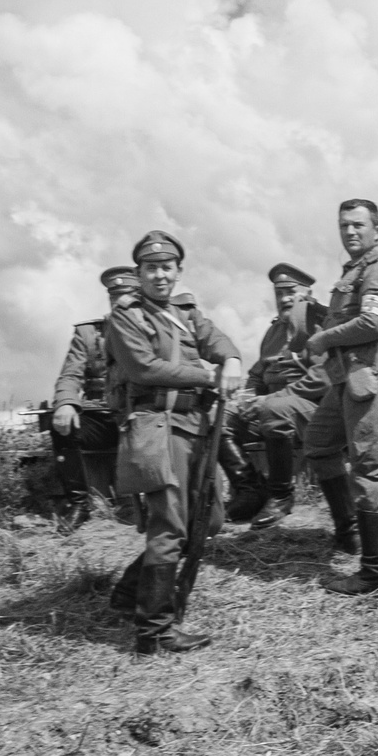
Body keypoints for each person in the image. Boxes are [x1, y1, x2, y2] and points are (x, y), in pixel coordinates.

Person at [106, 231, 240, 654]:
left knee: (208, 520)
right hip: (157, 426)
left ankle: (131, 593)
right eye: (151, 268)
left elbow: (216, 339)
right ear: (139, 273)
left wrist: (231, 359)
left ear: (178, 271)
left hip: (195, 424)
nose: (159, 275)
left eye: (167, 267)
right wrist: (208, 376)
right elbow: (144, 368)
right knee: (170, 526)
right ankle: (155, 630)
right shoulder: (127, 315)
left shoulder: (184, 311)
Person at [303, 200, 378, 594]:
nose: (350, 232)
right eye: (343, 226)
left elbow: (375, 321)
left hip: (373, 374)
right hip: (349, 377)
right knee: (318, 443)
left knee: (368, 469)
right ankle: (348, 531)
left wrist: (322, 338)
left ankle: (376, 572)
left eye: (358, 226)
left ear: (377, 231)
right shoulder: (355, 270)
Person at [229, 261, 326, 532]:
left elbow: (322, 379)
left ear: (306, 293)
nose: (283, 298)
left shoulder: (319, 326)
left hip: (309, 409)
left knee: (274, 409)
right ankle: (249, 491)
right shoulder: (273, 332)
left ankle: (281, 495)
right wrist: (247, 399)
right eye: (278, 292)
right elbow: (257, 374)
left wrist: (269, 401)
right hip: (270, 408)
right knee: (223, 418)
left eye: (290, 291)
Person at [49, 265, 137, 522]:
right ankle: (78, 502)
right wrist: (66, 402)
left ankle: (133, 501)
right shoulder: (89, 333)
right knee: (63, 427)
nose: (120, 302)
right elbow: (70, 375)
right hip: (102, 414)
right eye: (114, 297)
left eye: (128, 295)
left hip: (138, 413)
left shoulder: (154, 330)